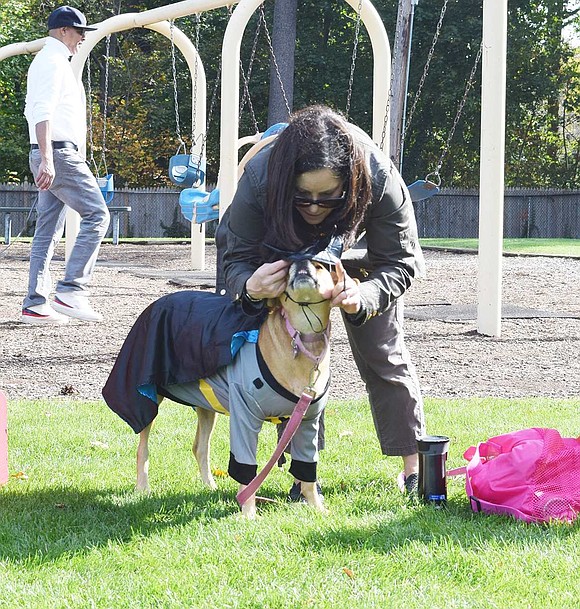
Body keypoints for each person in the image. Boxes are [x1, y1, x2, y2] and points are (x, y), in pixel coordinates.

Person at [215, 104, 425, 498]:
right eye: (303, 196)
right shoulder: (261, 176)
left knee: (382, 348)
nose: (313, 207)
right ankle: (302, 475)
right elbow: (235, 257)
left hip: (359, 254)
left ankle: (414, 467)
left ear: (350, 183)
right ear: (285, 183)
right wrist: (251, 286)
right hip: (278, 253)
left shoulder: (379, 178)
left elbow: (401, 260)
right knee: (284, 351)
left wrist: (365, 295)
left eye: (326, 197)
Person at [21, 6, 109, 325]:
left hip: (54, 152)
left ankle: (35, 302)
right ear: (63, 31)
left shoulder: (53, 61)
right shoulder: (52, 62)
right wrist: (47, 159)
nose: (83, 38)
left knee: (47, 230)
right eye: (79, 31)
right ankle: (71, 291)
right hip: (58, 153)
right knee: (97, 214)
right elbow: (40, 111)